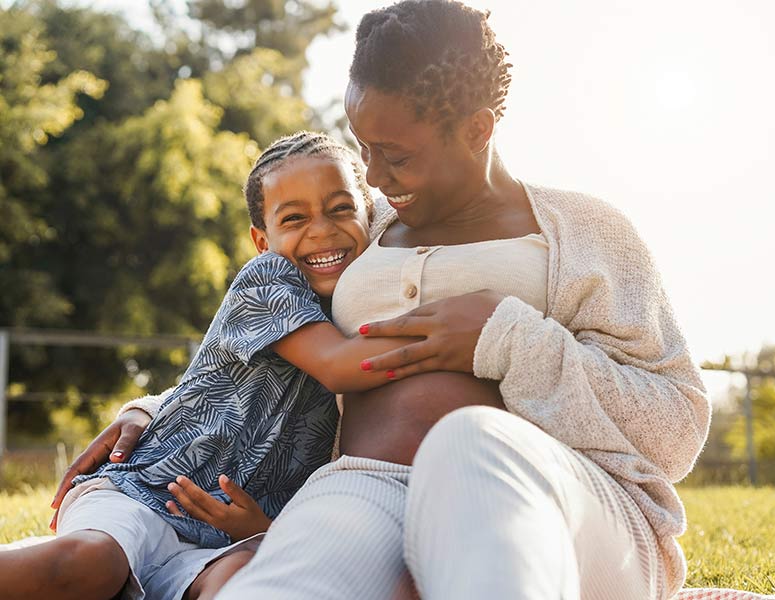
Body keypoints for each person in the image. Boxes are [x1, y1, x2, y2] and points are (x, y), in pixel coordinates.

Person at [51, 2, 711, 599]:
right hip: (363, 486)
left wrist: (511, 341)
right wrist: (151, 413)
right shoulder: (358, 231)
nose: (370, 175)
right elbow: (270, 351)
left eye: (394, 154)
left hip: (554, 496)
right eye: (362, 146)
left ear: (477, 130)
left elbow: (677, 428)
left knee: (468, 442)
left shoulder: (582, 233)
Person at [0, 130, 498, 600]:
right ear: (263, 240)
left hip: (227, 536)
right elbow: (339, 366)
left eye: (340, 209)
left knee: (243, 584)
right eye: (294, 219)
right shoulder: (268, 280)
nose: (321, 231)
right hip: (147, 493)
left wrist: (262, 526)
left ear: (371, 215)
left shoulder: (366, 305)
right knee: (90, 565)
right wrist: (474, 329)